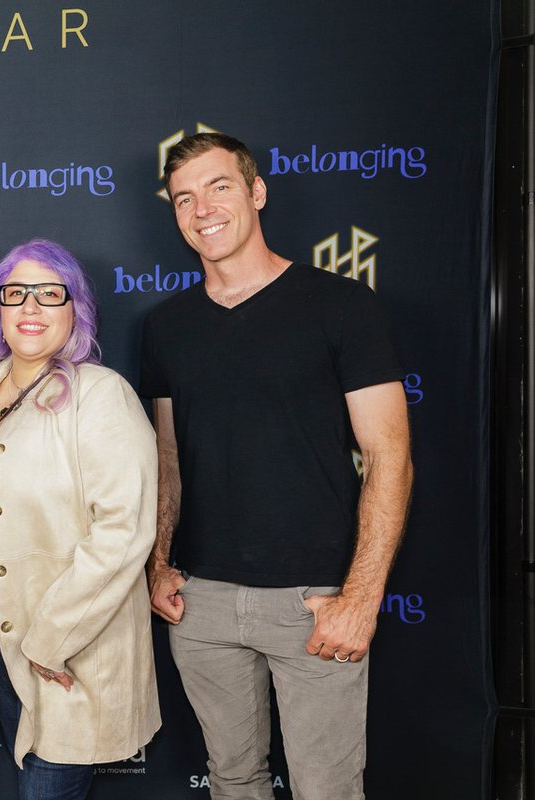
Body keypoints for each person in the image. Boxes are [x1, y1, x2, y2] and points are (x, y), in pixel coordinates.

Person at [141, 132, 413, 800]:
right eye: (184, 198)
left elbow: (390, 458)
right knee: (233, 782)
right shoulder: (166, 326)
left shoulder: (341, 305)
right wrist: (160, 562)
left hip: (314, 603)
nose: (202, 208)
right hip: (201, 603)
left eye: (219, 187)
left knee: (326, 789)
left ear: (257, 192)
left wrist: (360, 599)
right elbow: (168, 457)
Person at [0, 239, 161, 799]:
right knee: (27, 773)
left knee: (47, 787)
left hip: (67, 639)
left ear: (75, 308)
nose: (30, 307)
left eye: (49, 293)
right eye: (15, 293)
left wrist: (50, 639)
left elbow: (123, 531)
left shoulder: (101, 395)